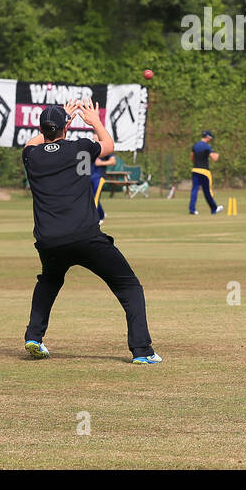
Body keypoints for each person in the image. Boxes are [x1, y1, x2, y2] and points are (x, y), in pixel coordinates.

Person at [21, 99, 160, 364]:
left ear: (42, 129)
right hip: (85, 237)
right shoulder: (80, 148)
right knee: (129, 287)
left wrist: (58, 122)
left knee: (49, 281)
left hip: (49, 241)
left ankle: (34, 337)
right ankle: (142, 352)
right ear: (66, 128)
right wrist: (94, 120)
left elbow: (34, 143)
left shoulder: (31, 155)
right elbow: (108, 146)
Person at [188, 130, 224, 216]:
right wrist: (217, 155)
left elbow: (192, 158)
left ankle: (192, 210)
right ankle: (214, 209)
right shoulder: (207, 147)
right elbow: (214, 158)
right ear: (208, 137)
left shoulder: (195, 145)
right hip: (205, 172)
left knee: (194, 190)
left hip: (195, 170)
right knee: (207, 191)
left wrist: (196, 164)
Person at [91, 145, 115, 225]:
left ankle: (99, 218)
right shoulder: (89, 148)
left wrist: (102, 163)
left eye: (96, 137)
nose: (94, 139)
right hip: (88, 177)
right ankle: (101, 214)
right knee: (90, 198)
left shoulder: (105, 149)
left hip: (99, 178)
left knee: (95, 198)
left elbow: (113, 161)